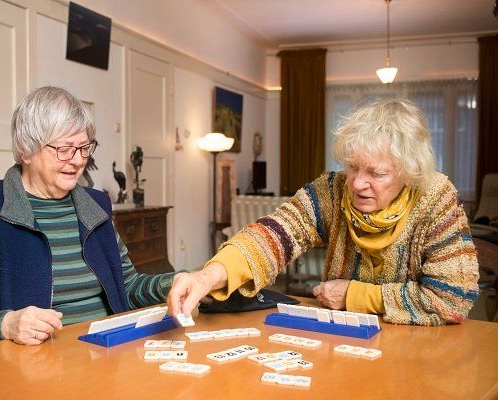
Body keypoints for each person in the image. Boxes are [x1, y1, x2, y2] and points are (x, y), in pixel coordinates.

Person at [168, 98, 479, 326]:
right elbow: (272, 234)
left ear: (409, 173)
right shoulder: (332, 190)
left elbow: (450, 299)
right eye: (353, 166)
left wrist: (355, 297)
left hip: (419, 350)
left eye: (377, 173)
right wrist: (207, 277)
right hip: (344, 340)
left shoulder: (437, 200)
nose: (358, 183)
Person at [0, 87, 176, 347]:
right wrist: (7, 324)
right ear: (25, 150)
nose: (77, 161)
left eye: (84, 148)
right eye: (64, 149)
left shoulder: (95, 206)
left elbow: (128, 287)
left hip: (106, 355)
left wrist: (177, 282)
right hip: (30, 368)